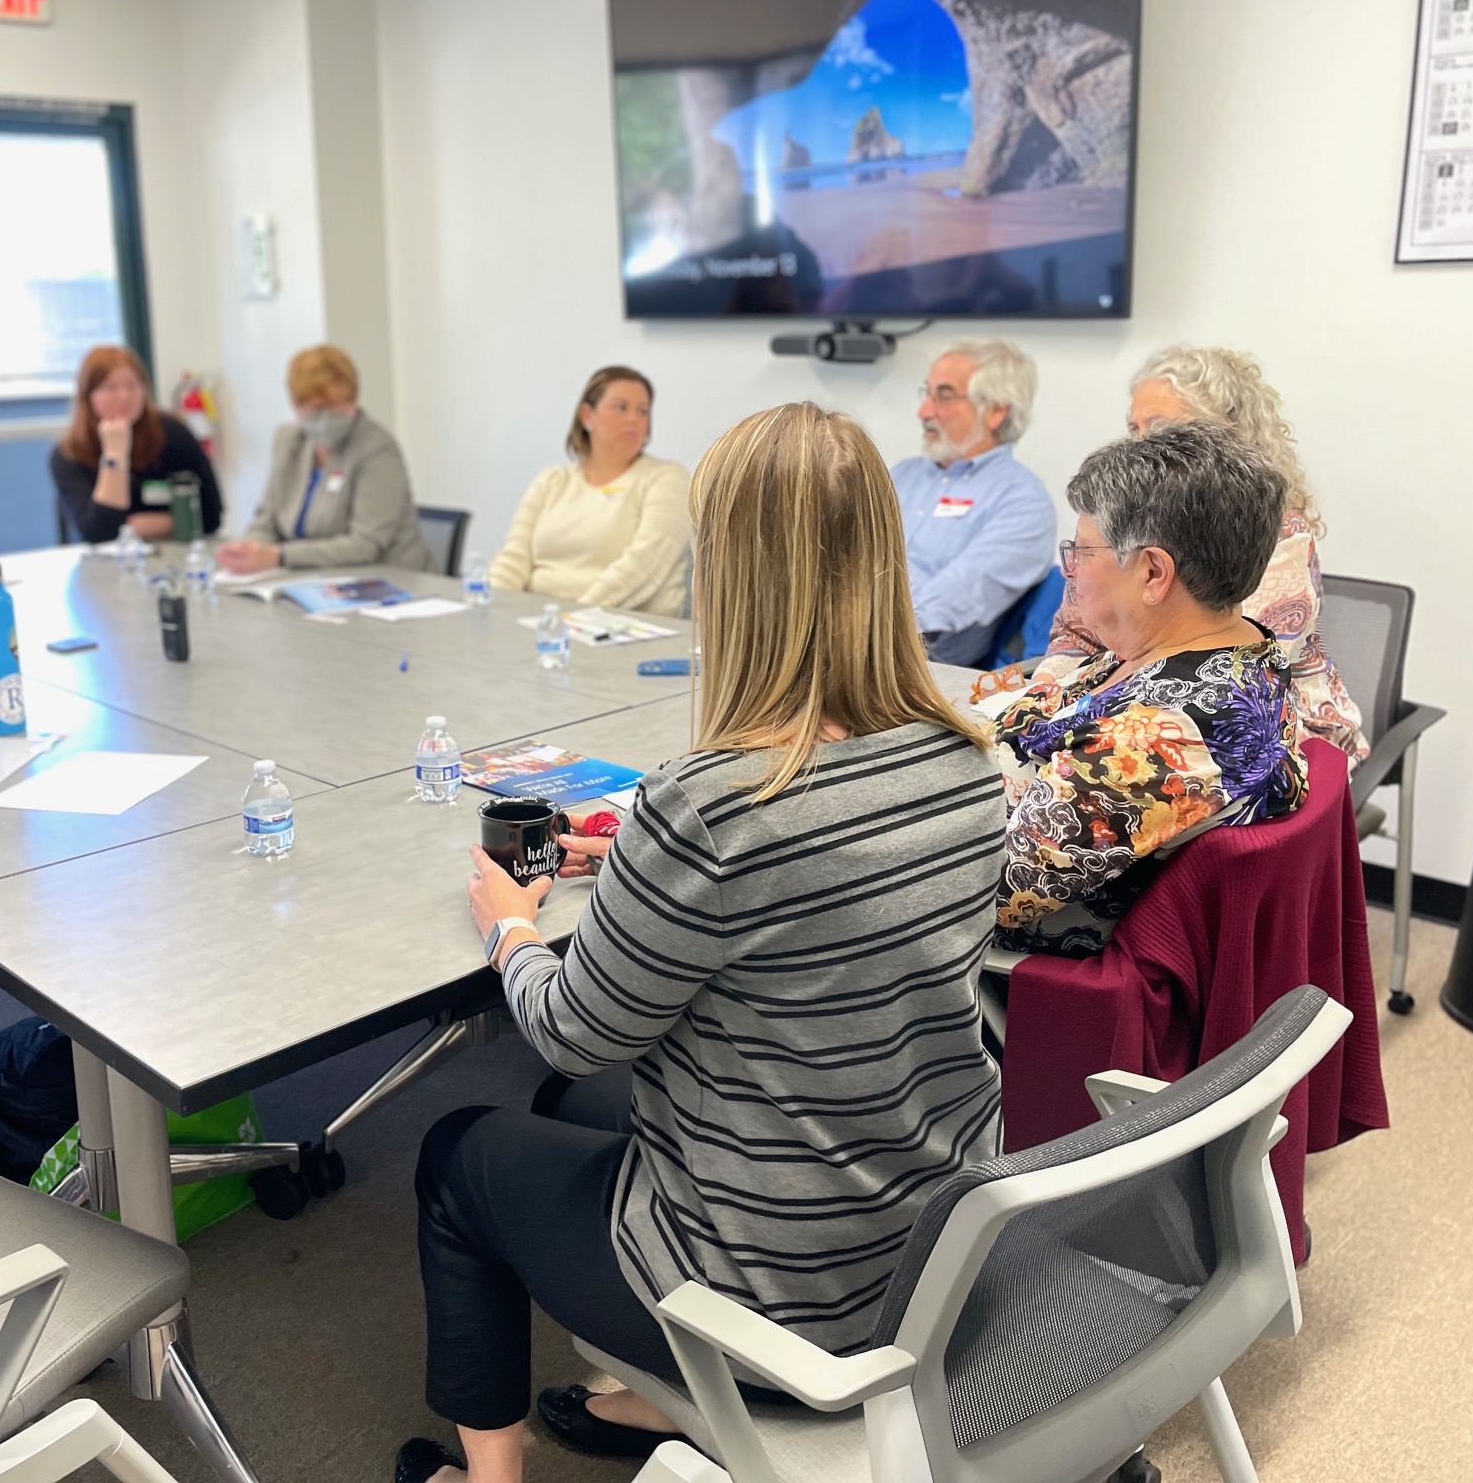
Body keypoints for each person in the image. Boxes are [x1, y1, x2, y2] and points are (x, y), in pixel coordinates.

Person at [398, 403, 1007, 1483]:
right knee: (572, 1112)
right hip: (929, 1250)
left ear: (730, 576)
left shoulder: (711, 807)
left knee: (460, 1153)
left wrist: (511, 928)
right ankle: (651, 1398)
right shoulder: (966, 760)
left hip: (778, 1303)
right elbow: (824, 913)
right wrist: (641, 869)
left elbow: (574, 1030)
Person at [989, 422, 1309, 958]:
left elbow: (983, 892)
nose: (1070, 572)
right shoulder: (1229, 647)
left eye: (1082, 552)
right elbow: (1050, 710)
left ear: (1154, 573)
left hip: (1020, 970)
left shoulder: (1160, 740)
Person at [1044, 345, 1365, 760]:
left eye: (1160, 428)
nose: (1141, 443)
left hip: (1271, 734)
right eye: (1133, 428)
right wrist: (1047, 692)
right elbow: (1075, 631)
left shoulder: (1276, 535)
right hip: (1130, 707)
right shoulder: (1117, 527)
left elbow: (1232, 673)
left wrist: (1089, 716)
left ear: (1222, 435)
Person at [888, 338, 1057, 666]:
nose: (924, 412)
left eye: (944, 396)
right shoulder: (901, 475)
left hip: (913, 664)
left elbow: (936, 612)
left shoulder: (1023, 503)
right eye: (927, 394)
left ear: (995, 411)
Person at [485, 367, 690, 615]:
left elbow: (646, 564)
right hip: (541, 620)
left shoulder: (667, 479)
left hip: (622, 623)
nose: (634, 419)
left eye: (643, 411)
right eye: (621, 407)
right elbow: (513, 559)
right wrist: (490, 608)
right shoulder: (551, 481)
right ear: (587, 415)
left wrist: (576, 616)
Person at [216, 345, 429, 573]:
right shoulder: (289, 441)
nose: (326, 419)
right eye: (316, 408)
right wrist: (249, 551)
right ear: (296, 406)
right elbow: (267, 520)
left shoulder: (377, 449)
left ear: (353, 400)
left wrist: (279, 556)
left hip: (386, 578)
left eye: (336, 405)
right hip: (312, 577)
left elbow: (365, 545)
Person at [49, 345, 223, 544]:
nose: (124, 396)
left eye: (133, 385)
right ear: (88, 396)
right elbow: (99, 533)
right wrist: (115, 454)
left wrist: (128, 526)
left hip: (177, 550)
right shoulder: (69, 454)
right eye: (111, 388)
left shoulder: (173, 434)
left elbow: (211, 517)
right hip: (107, 560)